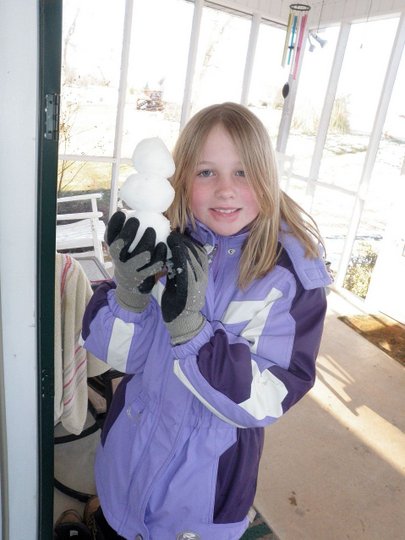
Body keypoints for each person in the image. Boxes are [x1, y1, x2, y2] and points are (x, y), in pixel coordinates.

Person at [81, 102, 333, 540]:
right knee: (115, 523)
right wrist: (128, 293)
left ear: (267, 176)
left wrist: (192, 333)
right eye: (206, 172)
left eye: (242, 172)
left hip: (203, 491)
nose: (225, 190)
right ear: (180, 180)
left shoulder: (289, 279)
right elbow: (119, 357)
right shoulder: (165, 242)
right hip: (129, 455)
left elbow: (266, 399)